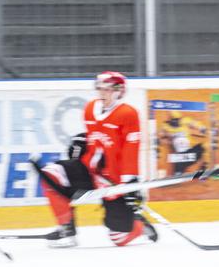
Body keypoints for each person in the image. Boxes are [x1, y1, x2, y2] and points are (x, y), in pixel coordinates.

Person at [40, 71, 157, 248]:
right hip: (88, 170)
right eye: (100, 89)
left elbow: (130, 150)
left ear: (119, 91)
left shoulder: (128, 114)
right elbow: (97, 138)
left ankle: (138, 223)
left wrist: (130, 183)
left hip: (114, 180)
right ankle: (66, 230)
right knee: (51, 173)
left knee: (119, 238)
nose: (102, 93)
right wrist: (82, 140)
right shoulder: (90, 109)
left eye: (107, 89)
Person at [158, 110, 207, 175]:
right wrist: (163, 139)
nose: (176, 122)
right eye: (173, 120)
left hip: (190, 153)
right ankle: (178, 173)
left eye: (177, 120)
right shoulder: (166, 126)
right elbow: (160, 135)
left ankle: (203, 167)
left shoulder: (185, 121)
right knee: (178, 173)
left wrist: (202, 128)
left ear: (180, 119)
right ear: (170, 120)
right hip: (180, 156)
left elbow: (194, 123)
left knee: (204, 146)